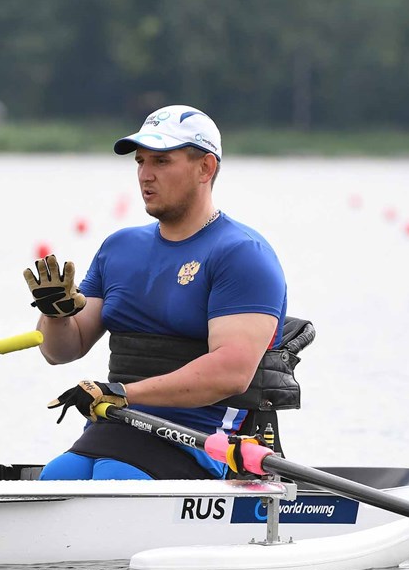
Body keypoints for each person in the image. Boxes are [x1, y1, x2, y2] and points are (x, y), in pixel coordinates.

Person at [23, 104, 288, 480]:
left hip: (204, 441)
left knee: (114, 479)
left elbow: (230, 373)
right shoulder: (119, 248)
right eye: (140, 162)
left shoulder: (242, 255)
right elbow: (60, 351)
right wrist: (54, 314)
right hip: (118, 426)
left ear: (205, 168)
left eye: (162, 162)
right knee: (57, 477)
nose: (145, 176)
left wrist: (122, 392)